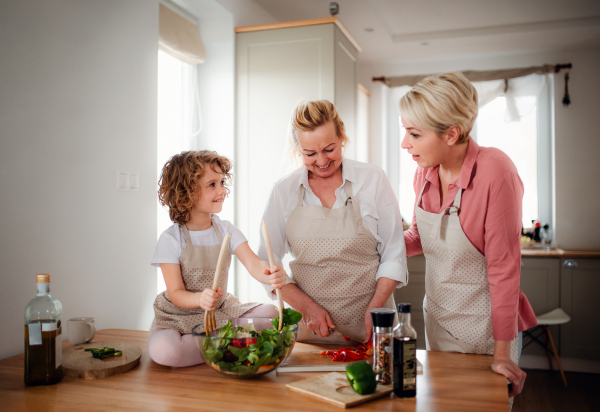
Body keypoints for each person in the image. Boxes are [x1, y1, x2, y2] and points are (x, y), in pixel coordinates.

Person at [400, 72, 537, 398]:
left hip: (486, 334)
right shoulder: (424, 170)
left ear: (452, 134)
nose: (405, 144)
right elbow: (420, 239)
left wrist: (502, 354)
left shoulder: (495, 171)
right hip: (437, 320)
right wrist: (372, 244)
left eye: (414, 134)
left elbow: (504, 269)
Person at [258, 100, 408, 344]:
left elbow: (394, 254)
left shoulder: (373, 179)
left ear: (342, 137)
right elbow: (266, 264)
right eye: (309, 153)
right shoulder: (283, 191)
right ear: (298, 150)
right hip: (310, 331)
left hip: (373, 327)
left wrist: (376, 307)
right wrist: (306, 307)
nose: (321, 161)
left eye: (329, 149)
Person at [148, 150, 286, 367]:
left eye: (222, 182)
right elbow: (175, 293)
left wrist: (270, 273)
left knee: (271, 314)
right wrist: (199, 299)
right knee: (165, 351)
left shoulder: (226, 230)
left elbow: (254, 263)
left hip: (218, 311)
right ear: (186, 192)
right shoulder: (171, 238)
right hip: (179, 316)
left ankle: (210, 346)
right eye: (212, 185)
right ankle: (230, 343)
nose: (221, 190)